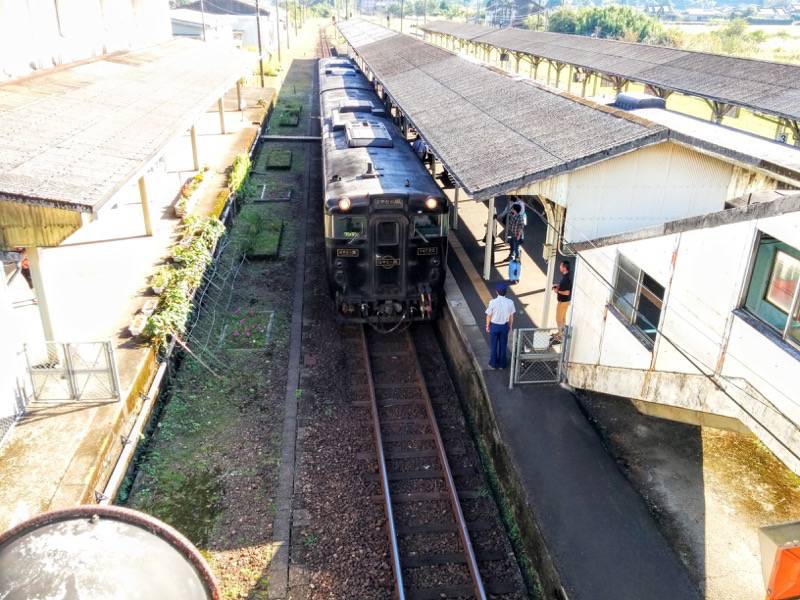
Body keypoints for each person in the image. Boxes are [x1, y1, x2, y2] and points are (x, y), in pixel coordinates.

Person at [485, 282, 515, 369]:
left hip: (494, 326)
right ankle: (502, 364)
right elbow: (511, 316)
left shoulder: (492, 302)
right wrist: (510, 326)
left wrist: (487, 325)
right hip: (504, 326)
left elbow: (489, 315)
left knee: (494, 345)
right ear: (506, 292)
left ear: (496, 292)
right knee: (503, 345)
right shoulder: (510, 302)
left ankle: (493, 364)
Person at [552, 260, 572, 343]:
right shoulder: (566, 276)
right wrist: (558, 285)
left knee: (558, 319)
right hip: (565, 302)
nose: (559, 267)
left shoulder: (566, 278)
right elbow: (564, 286)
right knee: (563, 319)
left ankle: (560, 336)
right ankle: (561, 332)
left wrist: (558, 291)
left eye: (561, 266)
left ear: (564, 268)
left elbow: (567, 292)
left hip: (562, 302)